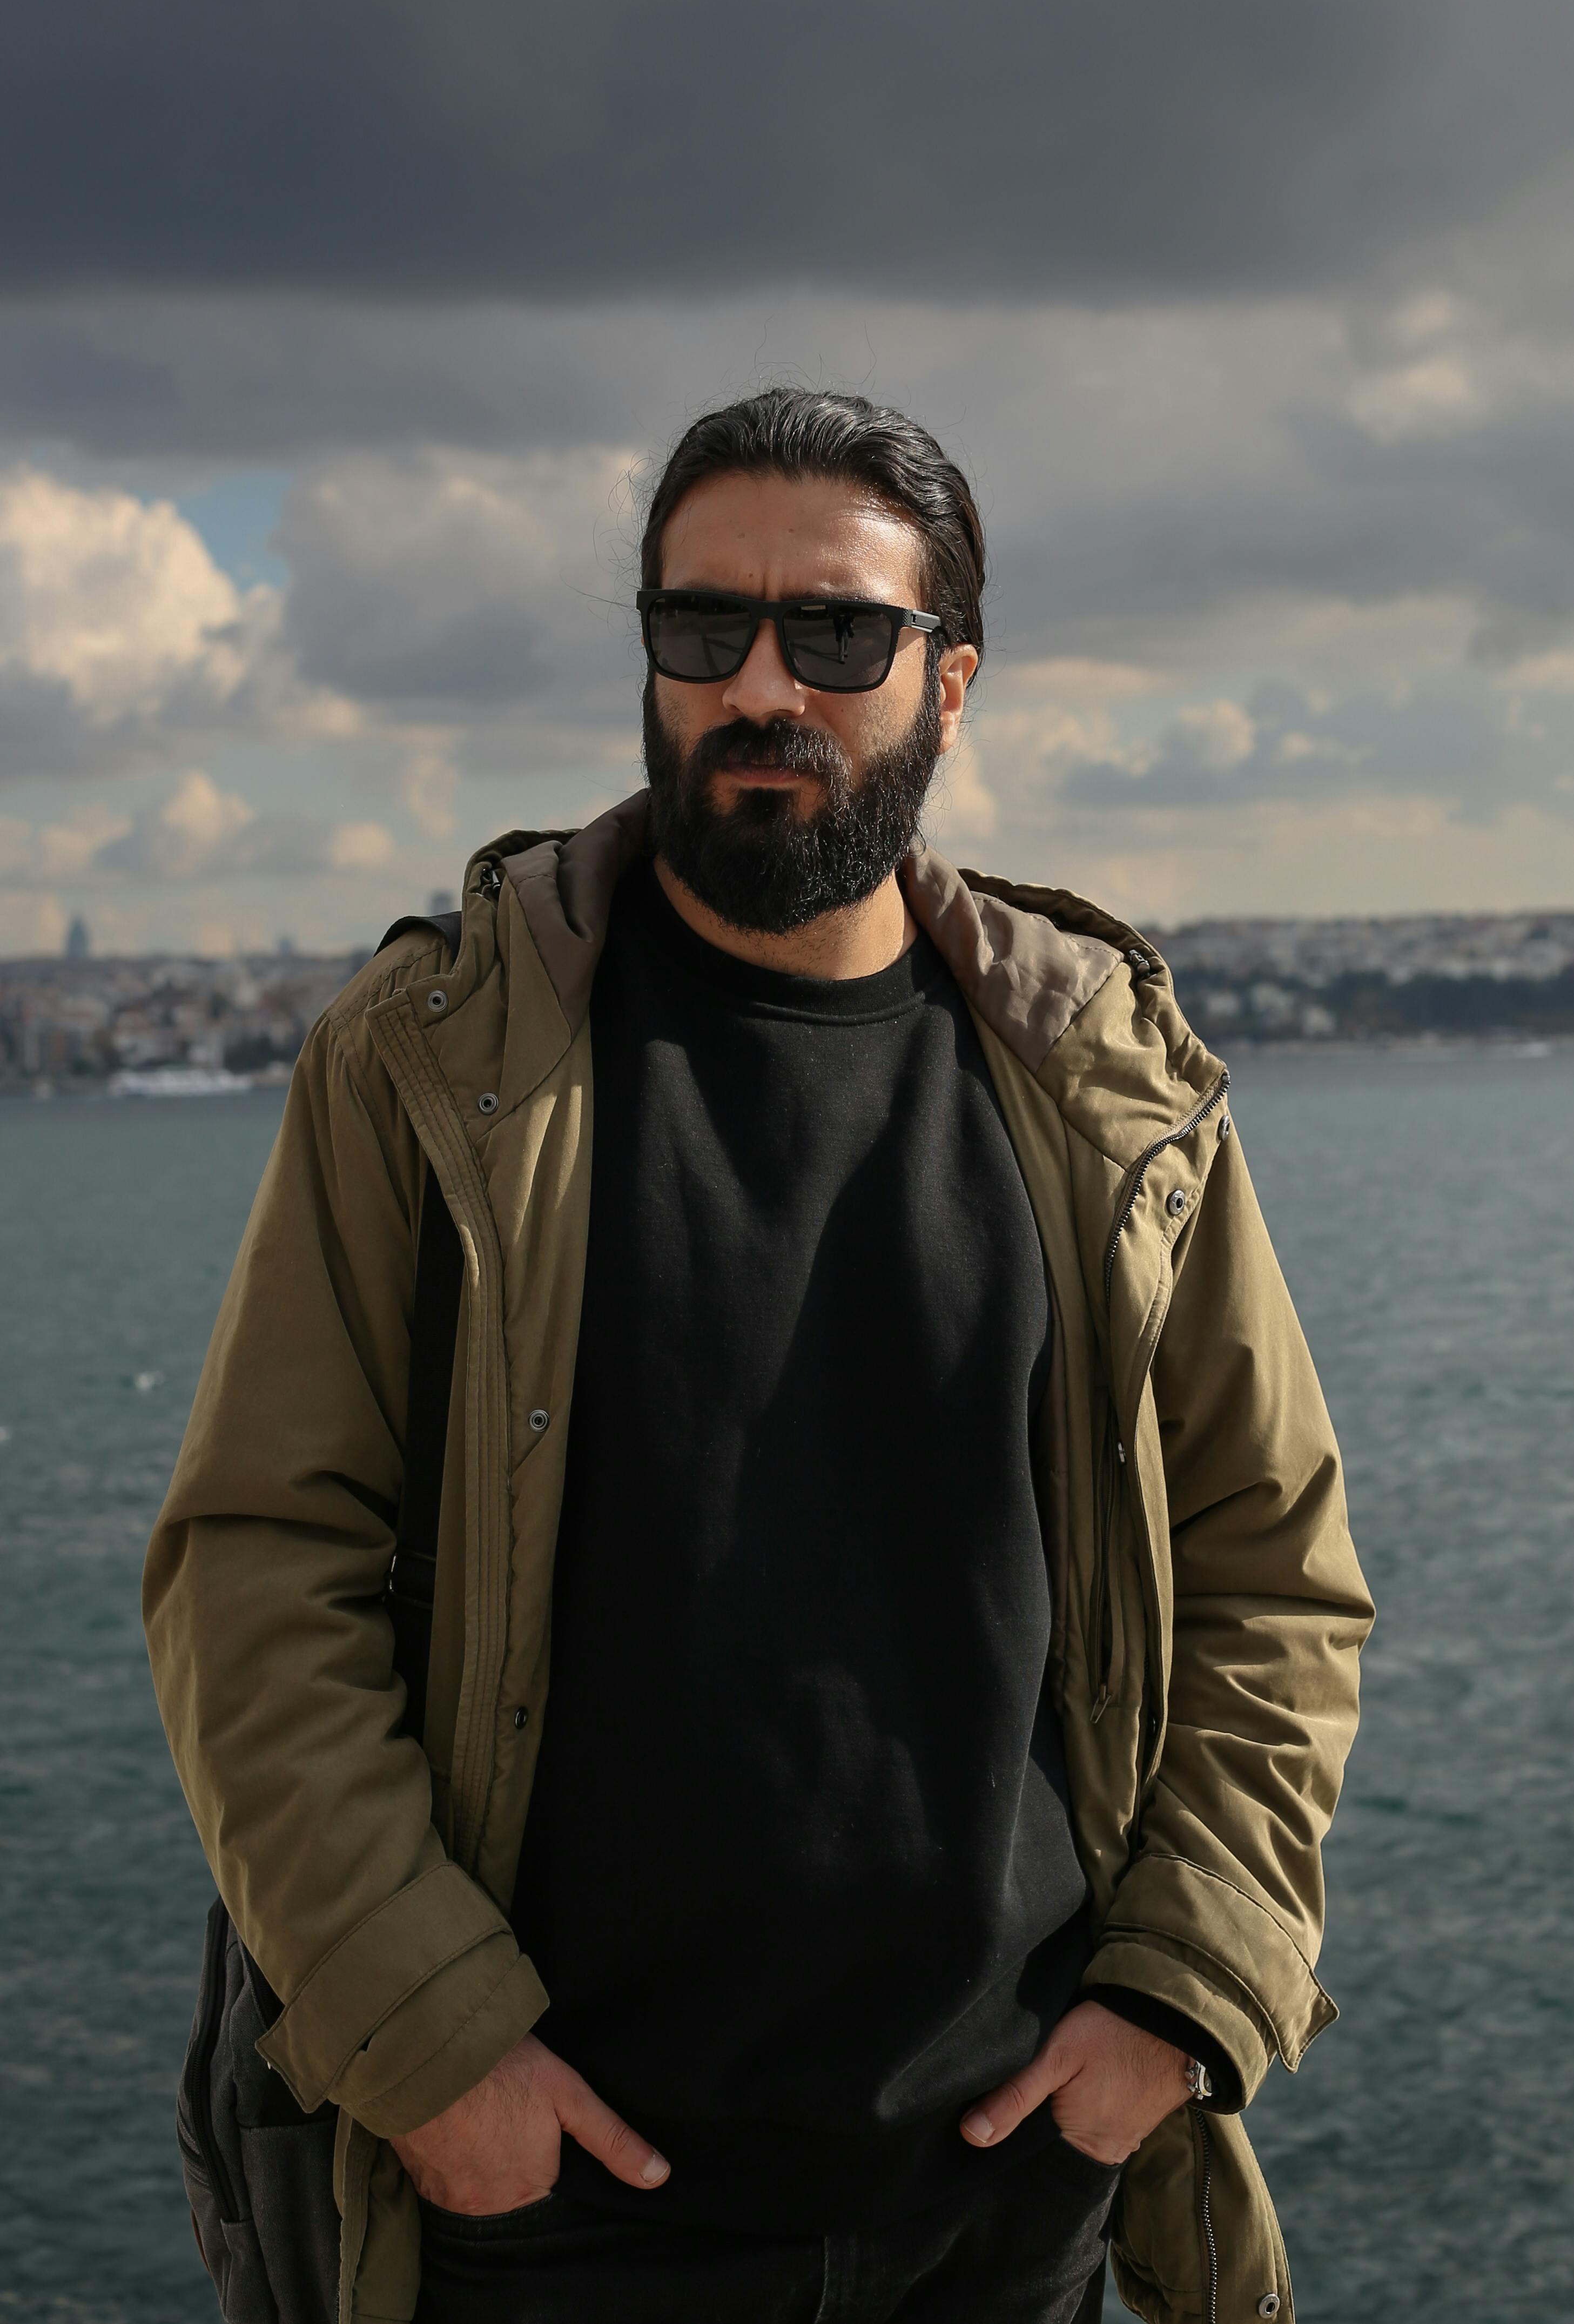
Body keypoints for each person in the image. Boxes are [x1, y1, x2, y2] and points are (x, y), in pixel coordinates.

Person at [145, 388, 1372, 2324]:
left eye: (838, 635)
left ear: (949, 683)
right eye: (700, 629)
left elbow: (1268, 1571)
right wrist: (435, 2048)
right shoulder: (428, 1061)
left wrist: (1174, 1996)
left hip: (1007, 2193)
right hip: (543, 2212)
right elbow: (253, 1568)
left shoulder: (1102, 1082)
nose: (757, 685)